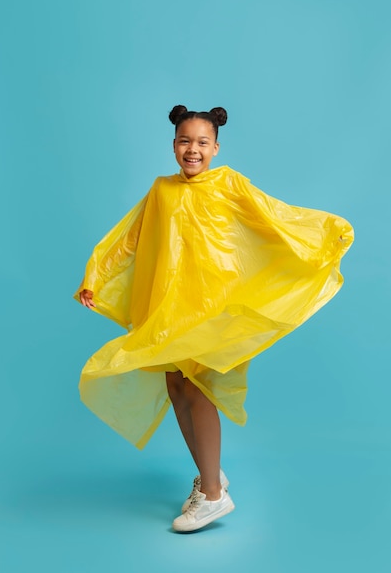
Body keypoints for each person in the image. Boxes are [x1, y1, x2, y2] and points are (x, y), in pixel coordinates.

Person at [75, 105, 353, 532]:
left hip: (209, 306)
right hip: (168, 307)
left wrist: (321, 233)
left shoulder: (229, 184)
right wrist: (96, 274)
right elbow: (128, 237)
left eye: (202, 142)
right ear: (173, 147)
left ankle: (212, 495)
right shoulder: (161, 191)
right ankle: (211, 476)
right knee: (174, 384)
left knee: (197, 384)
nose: (193, 149)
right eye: (185, 141)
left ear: (216, 148)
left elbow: (272, 216)